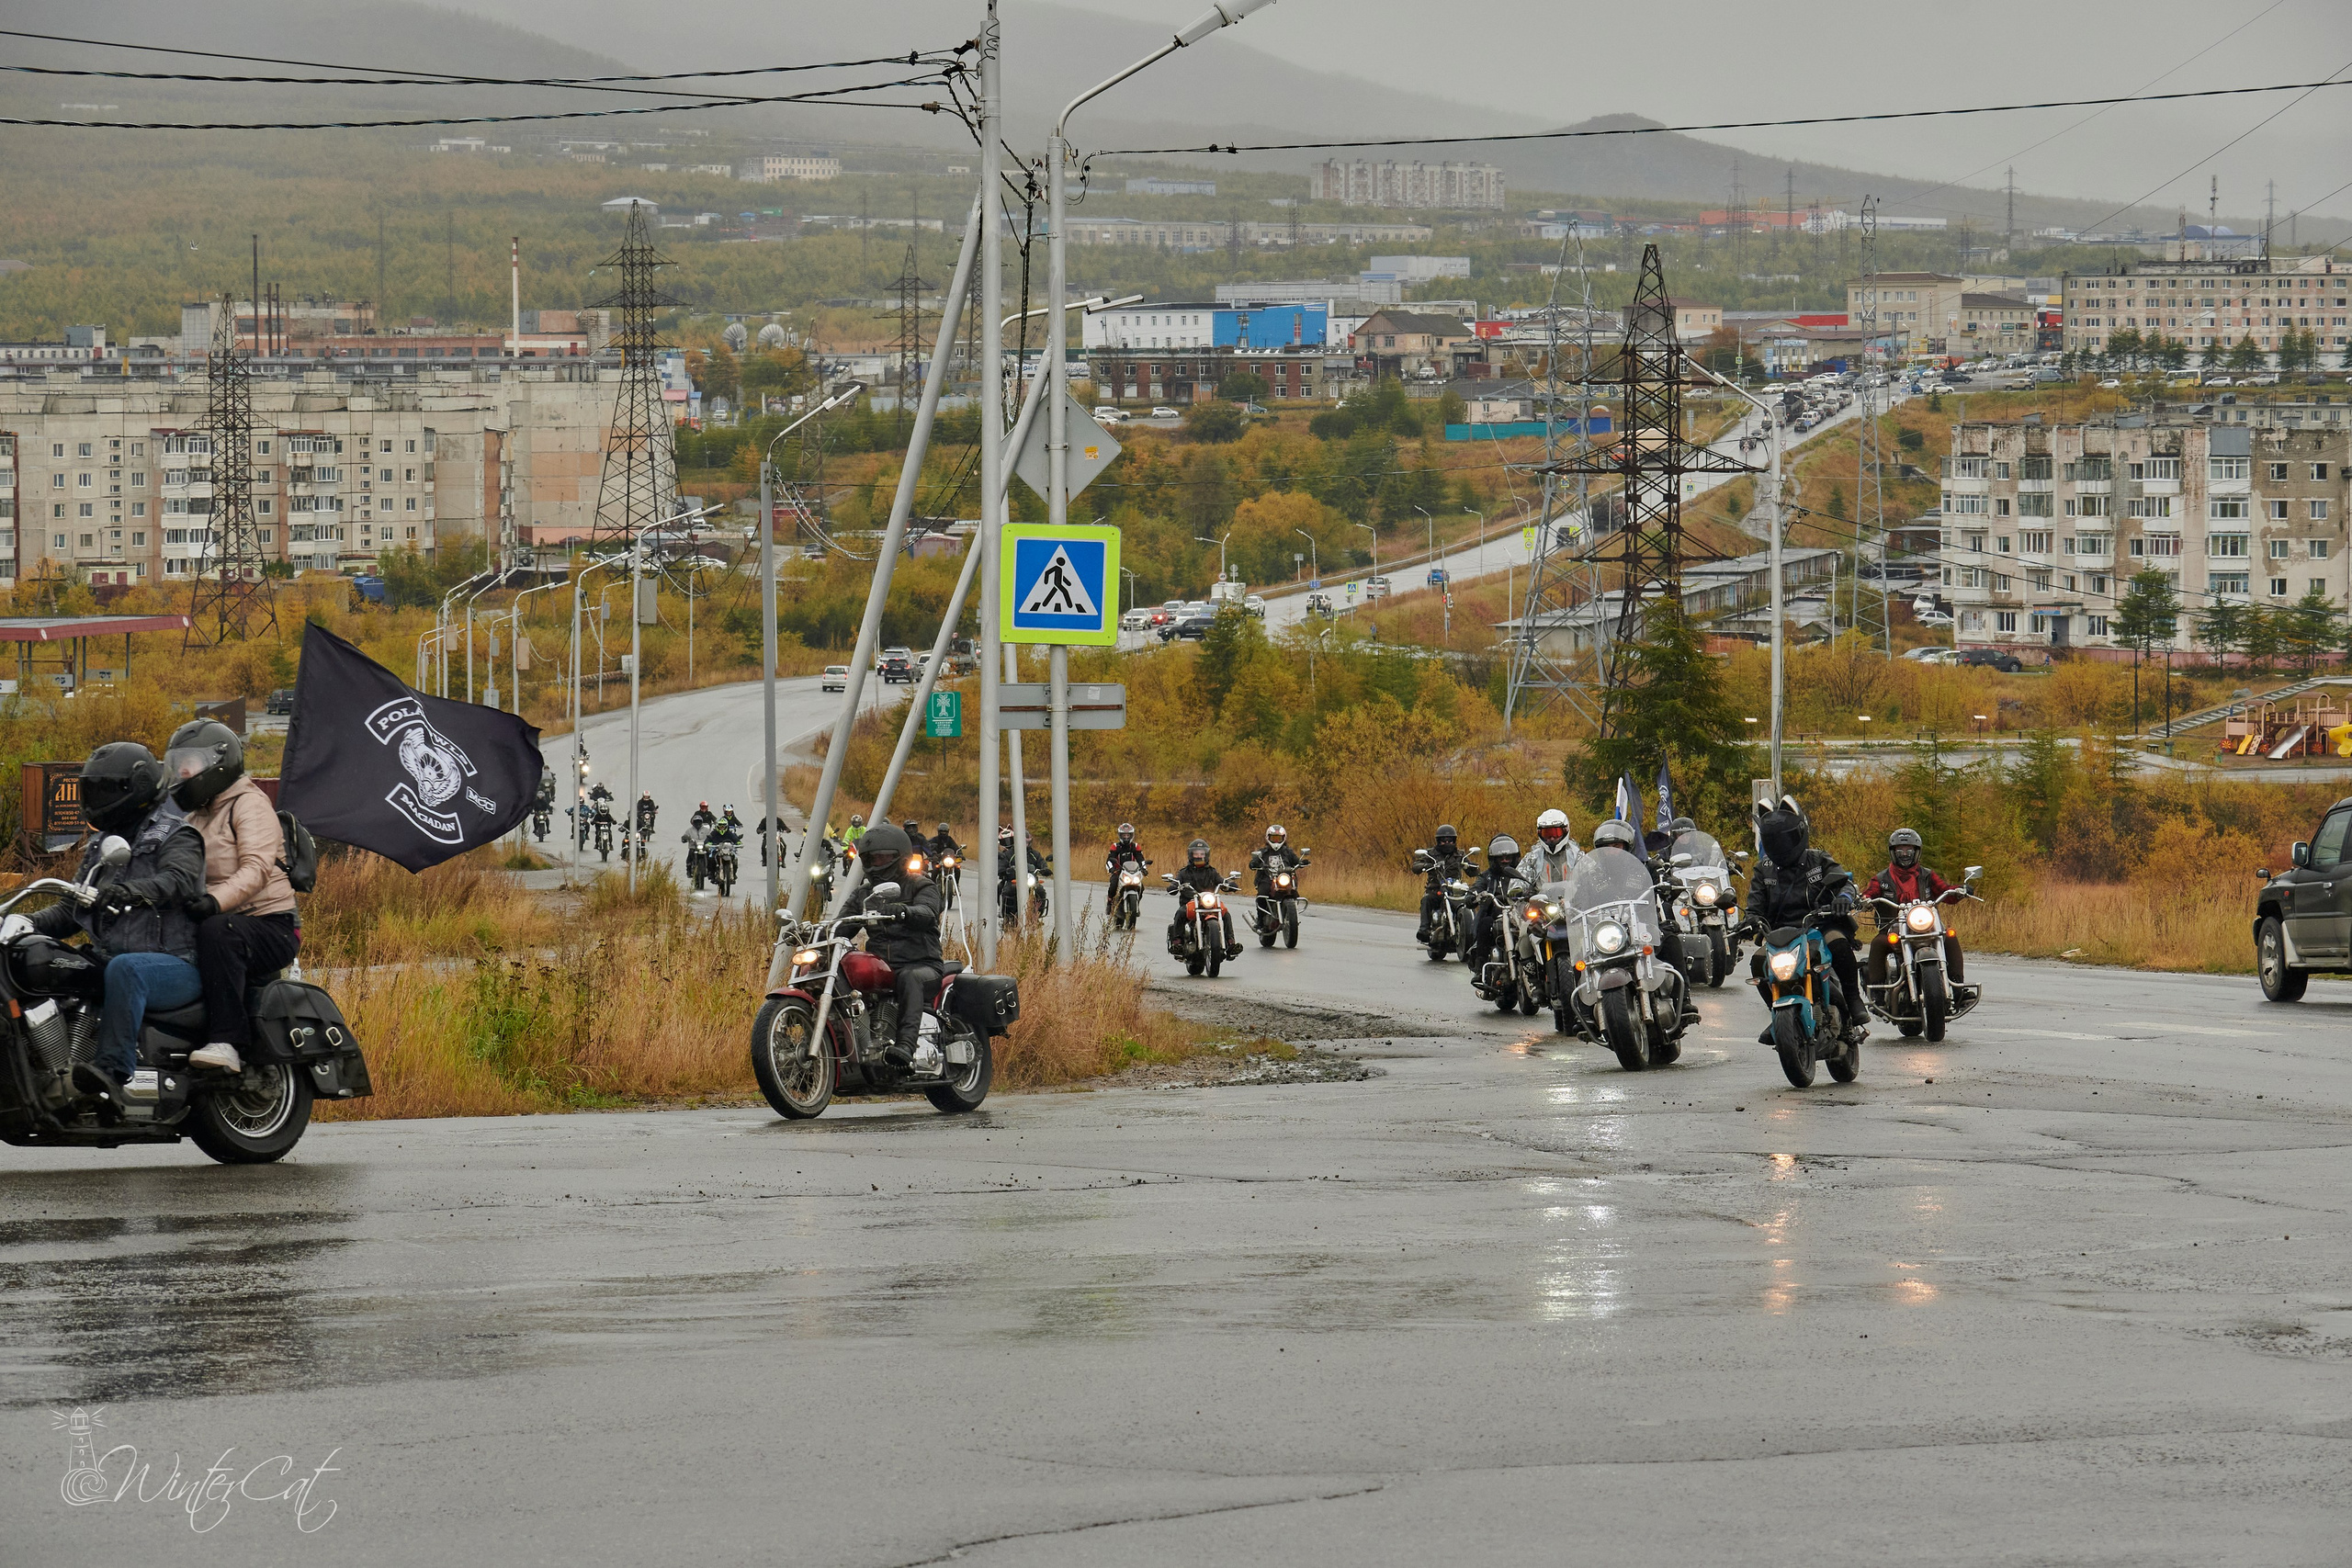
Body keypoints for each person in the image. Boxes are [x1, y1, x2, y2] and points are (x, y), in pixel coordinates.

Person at [28, 743, 207, 1102]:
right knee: (48, 962)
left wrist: (131, 891)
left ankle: (111, 1073)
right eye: (90, 789)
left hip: (175, 964)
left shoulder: (177, 834)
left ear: (135, 788)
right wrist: (22, 921)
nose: (93, 797)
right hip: (111, 958)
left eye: (103, 789)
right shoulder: (101, 845)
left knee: (127, 970)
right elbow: (71, 910)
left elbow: (180, 881)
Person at [162, 720, 301, 1075]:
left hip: (270, 925)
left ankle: (228, 1042)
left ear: (218, 762)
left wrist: (212, 902)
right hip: (225, 919)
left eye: (189, 762)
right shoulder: (195, 817)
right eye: (177, 764)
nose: (182, 771)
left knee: (217, 930)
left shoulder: (249, 804)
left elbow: (256, 869)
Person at [1746, 796, 1867, 1047]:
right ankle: (1777, 1011)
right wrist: (1749, 919)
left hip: (1820, 925)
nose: (1780, 844)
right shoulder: (1763, 869)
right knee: (1758, 961)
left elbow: (1845, 882)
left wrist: (1843, 898)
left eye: (1785, 838)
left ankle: (1853, 1001)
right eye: (1775, 839)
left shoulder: (1818, 859)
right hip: (1781, 935)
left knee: (1839, 944)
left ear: (1798, 832)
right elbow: (1754, 904)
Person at [840, 825, 944, 1068]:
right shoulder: (863, 894)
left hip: (922, 965)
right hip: (883, 968)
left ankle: (906, 1047)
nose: (876, 864)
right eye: (871, 859)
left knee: (909, 978)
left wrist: (904, 911)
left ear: (900, 858)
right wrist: (817, 933)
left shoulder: (921, 885)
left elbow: (928, 913)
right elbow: (842, 924)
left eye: (883, 858)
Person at [1589, 818, 1701, 1028]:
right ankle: (1586, 1014)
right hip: (1609, 934)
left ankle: (1684, 1002)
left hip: (1644, 926)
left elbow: (1664, 878)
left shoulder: (1647, 867)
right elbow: (1576, 898)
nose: (1612, 851)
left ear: (1628, 846)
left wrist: (1668, 884)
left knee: (1671, 940)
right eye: (1606, 847)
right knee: (1584, 958)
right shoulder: (1592, 875)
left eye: (1617, 846)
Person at [1862, 828, 1966, 988]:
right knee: (1878, 943)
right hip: (1893, 927)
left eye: (1909, 850)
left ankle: (1958, 986)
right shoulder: (1881, 878)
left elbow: (1945, 890)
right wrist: (1865, 900)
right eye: (1900, 850)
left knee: (1950, 936)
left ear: (1916, 852)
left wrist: (1959, 890)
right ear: (1893, 852)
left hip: (1926, 927)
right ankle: (1878, 991)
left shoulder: (1927, 875)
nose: (1904, 854)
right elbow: (1870, 892)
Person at [1167, 838, 1240, 959]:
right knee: (1180, 913)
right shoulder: (1184, 873)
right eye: (1196, 853)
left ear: (1206, 855)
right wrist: (1174, 886)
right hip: (1190, 903)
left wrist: (1229, 884)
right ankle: (1177, 943)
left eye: (1202, 853)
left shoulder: (1212, 872)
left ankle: (1231, 943)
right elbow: (1177, 882)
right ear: (1191, 855)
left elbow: (1220, 881)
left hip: (1210, 904)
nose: (1199, 856)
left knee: (1226, 914)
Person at [1465, 833, 1524, 971]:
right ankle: (1481, 966)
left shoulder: (1523, 873)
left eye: (1508, 857)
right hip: (1496, 914)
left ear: (1515, 857)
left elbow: (1535, 885)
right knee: (1485, 924)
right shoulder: (1487, 876)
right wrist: (1474, 896)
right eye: (1501, 858)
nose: (1505, 860)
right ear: (1494, 859)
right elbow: (1476, 888)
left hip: (1522, 914)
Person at [1413, 824, 1470, 944]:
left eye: (1450, 840)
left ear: (1454, 840)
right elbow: (1415, 866)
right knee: (1426, 900)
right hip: (1436, 889)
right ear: (1438, 841)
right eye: (1443, 841)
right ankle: (1424, 930)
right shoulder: (1430, 854)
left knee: (1470, 900)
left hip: (1455, 890)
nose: (1447, 843)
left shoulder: (1460, 854)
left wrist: (1470, 866)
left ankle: (1472, 931)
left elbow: (1473, 870)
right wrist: (1426, 866)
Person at [1525, 807, 1584, 886]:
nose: (1552, 838)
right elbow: (1521, 876)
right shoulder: (1532, 858)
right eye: (1547, 834)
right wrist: (1517, 888)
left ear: (1565, 830)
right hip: (1540, 898)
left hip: (1573, 898)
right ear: (1539, 833)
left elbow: (1592, 875)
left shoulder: (1577, 856)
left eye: (1556, 833)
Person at [1104, 822, 1150, 914]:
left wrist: (1144, 869)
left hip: (1132, 872)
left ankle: (1136, 904)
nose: (1126, 837)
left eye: (1128, 835)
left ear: (1131, 835)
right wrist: (1112, 869)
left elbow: (1141, 859)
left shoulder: (1135, 847)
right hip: (1118, 872)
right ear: (1120, 835)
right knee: (1113, 884)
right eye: (1124, 835)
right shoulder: (1115, 847)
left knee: (1141, 887)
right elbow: (1109, 860)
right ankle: (1110, 902)